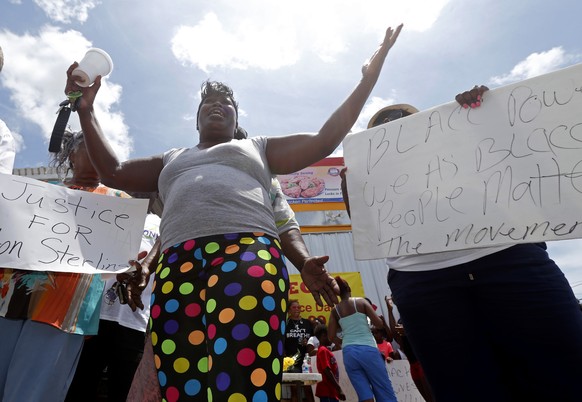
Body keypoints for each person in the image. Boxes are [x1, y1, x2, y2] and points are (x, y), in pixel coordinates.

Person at [65, 23, 402, 401]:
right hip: (179, 262)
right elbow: (114, 171)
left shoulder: (257, 148)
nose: (217, 106)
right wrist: (86, 109)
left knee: (244, 372)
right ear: (196, 120)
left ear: (236, 120)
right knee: (182, 371)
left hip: (245, 254)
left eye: (227, 104)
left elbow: (324, 140)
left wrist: (367, 81)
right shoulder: (172, 158)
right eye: (207, 103)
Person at [340, 87, 582, 402]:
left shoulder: (470, 142)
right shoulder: (372, 179)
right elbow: (372, 233)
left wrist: (485, 113)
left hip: (509, 260)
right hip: (424, 281)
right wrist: (352, 192)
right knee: (463, 389)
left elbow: (525, 151)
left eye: (406, 125)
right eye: (384, 131)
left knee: (566, 372)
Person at [0, 130, 132, 401]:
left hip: (65, 311)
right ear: (72, 155)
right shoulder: (36, 192)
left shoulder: (121, 203)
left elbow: (121, 262)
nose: (98, 152)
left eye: (103, 146)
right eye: (89, 146)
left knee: (33, 393)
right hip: (8, 302)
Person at [65, 193, 161, 402]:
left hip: (135, 320)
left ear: (154, 195)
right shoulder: (110, 214)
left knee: (124, 387)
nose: (139, 192)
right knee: (81, 383)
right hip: (95, 317)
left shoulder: (162, 224)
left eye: (145, 188)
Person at [327, 276, 397, 402]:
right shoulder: (361, 302)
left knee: (364, 394)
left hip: (349, 352)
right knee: (383, 388)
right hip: (368, 349)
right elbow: (379, 324)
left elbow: (331, 336)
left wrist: (344, 342)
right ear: (349, 288)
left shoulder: (335, 311)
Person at [385, 296, 433, 402]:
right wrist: (389, 311)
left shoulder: (415, 315)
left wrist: (407, 332)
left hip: (421, 362)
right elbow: (396, 336)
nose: (393, 297)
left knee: (432, 397)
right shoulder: (401, 320)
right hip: (413, 364)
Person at [313, 324, 345, 402]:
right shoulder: (323, 350)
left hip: (331, 391)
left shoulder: (325, 350)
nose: (332, 338)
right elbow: (326, 370)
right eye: (330, 335)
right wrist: (339, 388)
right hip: (327, 391)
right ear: (324, 336)